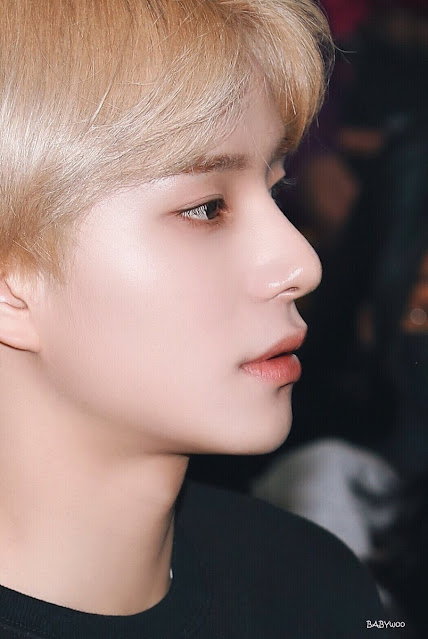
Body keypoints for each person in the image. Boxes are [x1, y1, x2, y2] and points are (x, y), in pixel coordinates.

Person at [0, 1, 389, 637]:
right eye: (207, 208)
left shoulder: (313, 585)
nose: (302, 263)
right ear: (9, 286)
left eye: (276, 189)